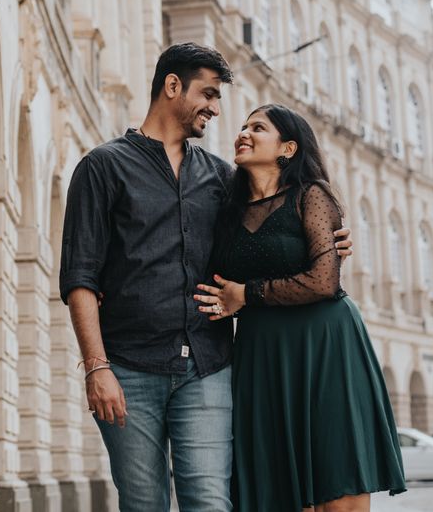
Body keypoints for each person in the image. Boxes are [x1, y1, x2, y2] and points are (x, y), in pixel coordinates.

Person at [58, 43, 352, 510]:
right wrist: (97, 368)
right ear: (172, 86)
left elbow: (275, 224)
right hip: (129, 369)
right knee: (143, 503)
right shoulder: (103, 167)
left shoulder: (222, 179)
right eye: (209, 95)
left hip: (208, 368)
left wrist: (327, 240)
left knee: (212, 503)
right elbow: (80, 277)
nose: (216, 109)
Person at [195, 104, 405, 512]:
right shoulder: (227, 210)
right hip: (262, 353)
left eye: (258, 127)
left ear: (287, 148)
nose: (244, 132)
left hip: (324, 344)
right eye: (243, 126)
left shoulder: (313, 195)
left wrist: (246, 296)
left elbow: (325, 282)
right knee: (276, 488)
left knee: (335, 481)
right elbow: (217, 280)